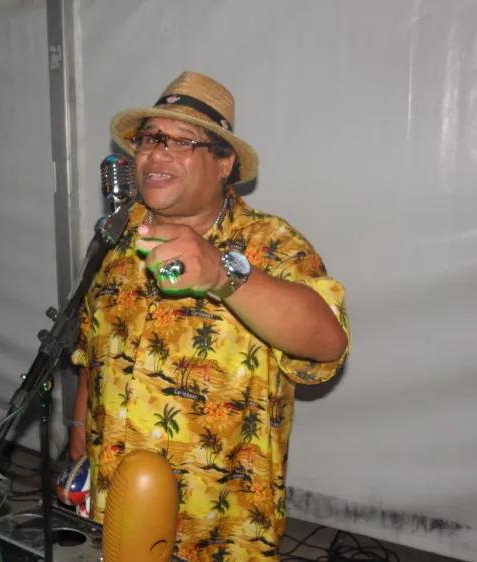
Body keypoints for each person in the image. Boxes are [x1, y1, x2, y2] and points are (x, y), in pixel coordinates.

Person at [69, 72, 350, 561]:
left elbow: (327, 344)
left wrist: (224, 274)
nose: (157, 154)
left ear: (224, 163)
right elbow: (92, 351)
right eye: (150, 139)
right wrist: (77, 438)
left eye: (181, 142)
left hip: (218, 526)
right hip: (115, 507)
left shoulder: (271, 244)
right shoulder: (119, 235)